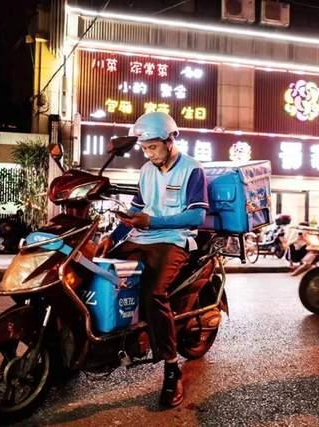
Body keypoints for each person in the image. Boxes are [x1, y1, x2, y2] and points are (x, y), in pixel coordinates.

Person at [95, 111, 209, 408]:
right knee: (98, 272)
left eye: (153, 147)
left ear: (170, 140)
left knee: (152, 292)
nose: (148, 153)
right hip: (141, 239)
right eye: (145, 148)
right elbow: (136, 211)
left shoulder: (192, 169)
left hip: (173, 240)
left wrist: (153, 222)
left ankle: (172, 368)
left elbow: (197, 216)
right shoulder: (146, 170)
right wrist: (112, 238)